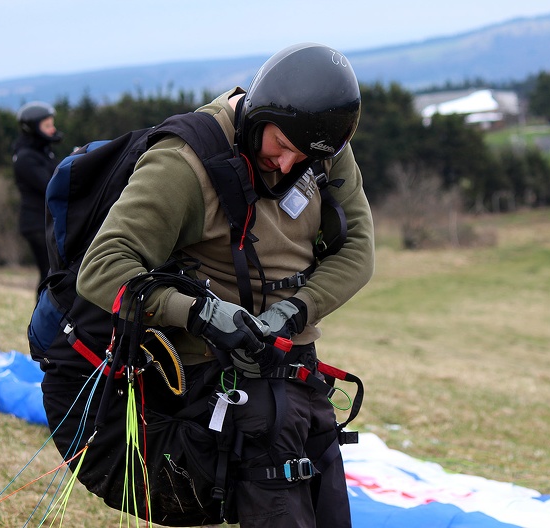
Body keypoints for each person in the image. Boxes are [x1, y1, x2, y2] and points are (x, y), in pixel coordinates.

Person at [73, 43, 374, 527]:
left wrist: (296, 309)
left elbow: (359, 250)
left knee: (330, 510)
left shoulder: (319, 145)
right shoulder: (182, 164)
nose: (287, 164)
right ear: (260, 113)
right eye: (280, 145)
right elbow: (103, 267)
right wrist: (202, 314)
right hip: (216, 376)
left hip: (294, 366)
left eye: (304, 157)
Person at [12, 101, 62, 286]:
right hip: (37, 224)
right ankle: (41, 314)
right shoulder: (26, 157)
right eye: (47, 125)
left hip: (45, 222)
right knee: (49, 274)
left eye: (52, 124)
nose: (53, 129)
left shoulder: (42, 152)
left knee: (52, 273)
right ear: (33, 128)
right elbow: (51, 185)